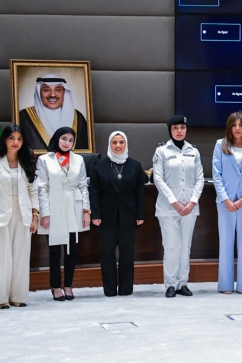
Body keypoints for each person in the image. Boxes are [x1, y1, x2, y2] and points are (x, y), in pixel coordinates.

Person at [35, 127, 91, 301]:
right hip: (54, 206)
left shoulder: (79, 159)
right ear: (57, 139)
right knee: (54, 251)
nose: (67, 143)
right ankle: (56, 286)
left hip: (74, 206)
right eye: (64, 139)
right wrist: (44, 213)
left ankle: (68, 285)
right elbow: (42, 188)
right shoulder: (45, 160)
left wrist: (86, 210)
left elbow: (83, 186)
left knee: (72, 251)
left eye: (71, 140)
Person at [89, 131, 146, 297]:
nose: (118, 146)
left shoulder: (135, 165)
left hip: (129, 216)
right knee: (107, 254)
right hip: (105, 216)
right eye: (114, 142)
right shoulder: (98, 165)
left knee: (127, 253)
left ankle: (126, 289)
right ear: (109, 144)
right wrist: (95, 214)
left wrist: (140, 214)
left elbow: (140, 192)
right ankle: (110, 290)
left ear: (126, 144)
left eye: (121, 142)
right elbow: (94, 192)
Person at [153, 115, 204, 298]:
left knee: (185, 246)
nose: (179, 131)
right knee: (171, 246)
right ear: (170, 130)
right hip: (168, 208)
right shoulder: (162, 151)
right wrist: (173, 201)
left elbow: (200, 179)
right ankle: (170, 284)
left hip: (189, 207)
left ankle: (183, 283)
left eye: (182, 127)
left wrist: (193, 201)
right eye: (175, 128)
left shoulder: (194, 151)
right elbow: (158, 178)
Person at [212, 112, 242, 295]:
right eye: (234, 125)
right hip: (225, 204)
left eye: (241, 125)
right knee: (225, 244)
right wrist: (226, 199)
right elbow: (216, 175)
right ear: (229, 127)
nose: (237, 128)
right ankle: (225, 284)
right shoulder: (220, 145)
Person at [0, 125, 38, 308]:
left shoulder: (27, 162)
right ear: (4, 140)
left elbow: (33, 190)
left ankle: (18, 296)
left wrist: (35, 216)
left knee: (21, 256)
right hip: (2, 213)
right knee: (2, 256)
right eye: (11, 138)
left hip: (24, 213)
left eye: (19, 139)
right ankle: (1, 298)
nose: (15, 142)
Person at [19, 74, 89, 150]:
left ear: (64, 93)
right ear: (39, 93)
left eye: (58, 90)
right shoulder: (24, 117)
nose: (52, 95)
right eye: (46, 90)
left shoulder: (78, 118)